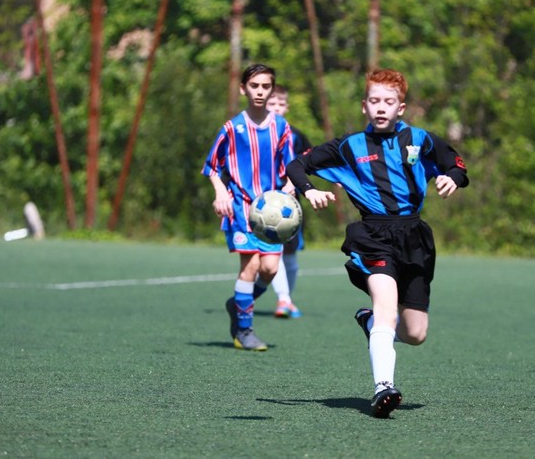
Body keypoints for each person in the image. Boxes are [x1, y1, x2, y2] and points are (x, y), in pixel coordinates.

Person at [286, 69, 469, 417]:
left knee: (415, 333)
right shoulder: (348, 146)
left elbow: (455, 163)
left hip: (414, 238)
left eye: (389, 101)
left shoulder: (420, 140)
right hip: (372, 236)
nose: (381, 107)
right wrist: (309, 190)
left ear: (401, 107)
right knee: (387, 307)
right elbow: (297, 164)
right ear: (364, 106)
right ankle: (383, 387)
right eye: (374, 101)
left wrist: (451, 178)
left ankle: (370, 324)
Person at [201, 63, 296, 351]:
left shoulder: (281, 127)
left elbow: (291, 167)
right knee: (251, 265)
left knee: (269, 269)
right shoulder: (232, 128)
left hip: (272, 212)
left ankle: (238, 304)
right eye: (254, 86)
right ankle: (245, 330)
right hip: (241, 208)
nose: (260, 91)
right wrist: (220, 194)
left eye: (266, 86)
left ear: (271, 89)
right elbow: (212, 167)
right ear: (243, 89)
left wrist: (290, 189)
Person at [265, 85, 313, 318]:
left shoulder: (297, 136)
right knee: (272, 251)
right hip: (263, 204)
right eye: (272, 104)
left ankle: (286, 299)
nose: (276, 108)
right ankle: (283, 299)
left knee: (290, 255)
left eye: (280, 104)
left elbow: (313, 162)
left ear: (287, 106)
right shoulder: (256, 133)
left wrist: (336, 177)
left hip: (291, 204)